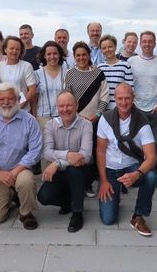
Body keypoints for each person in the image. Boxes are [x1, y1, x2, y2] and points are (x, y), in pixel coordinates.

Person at [0, 82, 42, 228]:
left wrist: (14, 172)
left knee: (26, 181)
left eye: (10, 98)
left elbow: (35, 151)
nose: (6, 103)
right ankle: (12, 194)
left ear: (17, 99)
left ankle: (26, 213)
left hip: (20, 171)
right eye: (2, 99)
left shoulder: (29, 120)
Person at [97, 83, 157, 236]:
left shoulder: (142, 122)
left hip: (131, 168)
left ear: (133, 99)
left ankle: (138, 216)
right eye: (120, 99)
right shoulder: (105, 119)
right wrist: (103, 181)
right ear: (114, 99)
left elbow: (151, 157)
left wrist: (137, 173)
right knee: (108, 219)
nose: (123, 102)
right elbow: (100, 151)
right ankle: (114, 193)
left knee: (150, 177)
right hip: (111, 170)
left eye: (127, 98)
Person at [37, 91, 93, 233]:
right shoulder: (50, 125)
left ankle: (77, 212)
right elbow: (46, 152)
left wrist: (57, 163)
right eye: (61, 106)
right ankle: (68, 202)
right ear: (57, 107)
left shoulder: (86, 124)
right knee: (43, 197)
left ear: (76, 106)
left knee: (74, 170)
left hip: (82, 171)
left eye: (69, 105)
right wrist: (68, 155)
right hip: (61, 173)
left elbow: (85, 156)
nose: (65, 109)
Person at [64, 41, 109, 197]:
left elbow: (104, 96)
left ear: (89, 55)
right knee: (78, 152)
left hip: (95, 120)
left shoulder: (98, 73)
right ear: (74, 57)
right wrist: (76, 116)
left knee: (92, 153)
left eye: (84, 54)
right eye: (78, 55)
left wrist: (97, 115)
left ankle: (88, 184)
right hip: (76, 121)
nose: (81, 58)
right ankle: (77, 184)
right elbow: (67, 97)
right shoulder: (70, 73)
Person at [128, 31, 157, 142]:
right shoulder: (131, 61)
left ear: (155, 44)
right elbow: (127, 85)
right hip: (136, 109)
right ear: (140, 43)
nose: (147, 44)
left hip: (155, 110)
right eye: (144, 41)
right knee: (136, 144)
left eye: (150, 41)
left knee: (152, 145)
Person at [0, 36, 36, 112]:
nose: (14, 51)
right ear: (5, 49)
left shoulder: (26, 66)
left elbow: (32, 90)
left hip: (23, 109)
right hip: (3, 110)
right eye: (11, 48)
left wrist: (18, 106)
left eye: (17, 49)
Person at [98, 34, 134, 110]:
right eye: (104, 48)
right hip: (102, 110)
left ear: (115, 47)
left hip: (120, 109)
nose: (107, 50)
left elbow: (130, 89)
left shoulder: (125, 65)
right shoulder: (99, 68)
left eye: (110, 47)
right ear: (101, 50)